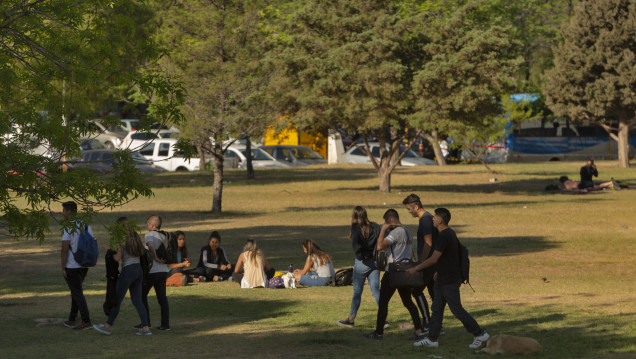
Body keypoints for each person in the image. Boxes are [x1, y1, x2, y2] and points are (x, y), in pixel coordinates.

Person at [408, 208, 489, 349]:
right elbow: (450, 257)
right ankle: (432, 339)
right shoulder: (448, 233)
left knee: (456, 309)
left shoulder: (445, 235)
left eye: (434, 217)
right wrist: (438, 271)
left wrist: (416, 268)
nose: (432, 219)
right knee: (437, 309)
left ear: (440, 220)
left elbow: (434, 258)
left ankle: (480, 334)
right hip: (442, 278)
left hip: (449, 280)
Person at [363, 209, 424, 341]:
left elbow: (379, 246)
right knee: (408, 302)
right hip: (405, 272)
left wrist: (383, 230)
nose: (386, 224)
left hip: (393, 272)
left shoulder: (395, 233)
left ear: (390, 220)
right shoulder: (407, 231)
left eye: (386, 222)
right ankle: (419, 332)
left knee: (383, 302)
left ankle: (378, 333)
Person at [93, 218, 151, 336]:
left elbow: (117, 258)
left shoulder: (122, 238)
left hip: (128, 271)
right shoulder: (135, 237)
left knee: (117, 299)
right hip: (138, 270)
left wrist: (109, 251)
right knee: (137, 300)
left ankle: (107, 326)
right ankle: (146, 328)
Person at [336, 206, 381, 328]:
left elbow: (356, 247)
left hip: (362, 262)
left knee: (357, 292)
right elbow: (383, 234)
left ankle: (351, 319)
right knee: (376, 290)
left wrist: (361, 256)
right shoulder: (375, 226)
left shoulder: (356, 229)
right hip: (375, 262)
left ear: (354, 216)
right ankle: (383, 318)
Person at [403, 193, 438, 336]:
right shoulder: (427, 218)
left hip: (428, 264)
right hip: (432, 264)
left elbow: (428, 243)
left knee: (416, 291)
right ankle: (437, 325)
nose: (408, 212)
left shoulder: (425, 220)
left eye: (409, 209)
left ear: (416, 206)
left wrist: (421, 263)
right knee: (434, 294)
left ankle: (428, 323)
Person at [60, 201, 93, 330]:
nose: (62, 213)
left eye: (63, 210)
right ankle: (72, 319)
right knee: (76, 291)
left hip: (72, 265)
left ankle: (86, 321)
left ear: (69, 211)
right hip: (84, 264)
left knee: (77, 293)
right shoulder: (85, 225)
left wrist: (63, 267)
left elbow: (64, 249)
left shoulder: (68, 227)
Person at [140, 215, 170, 331]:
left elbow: (150, 245)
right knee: (162, 298)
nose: (147, 226)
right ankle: (165, 324)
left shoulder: (149, 235)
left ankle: (146, 322)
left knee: (142, 296)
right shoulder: (165, 235)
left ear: (152, 225)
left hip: (152, 270)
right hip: (163, 270)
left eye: (148, 224)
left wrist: (156, 257)